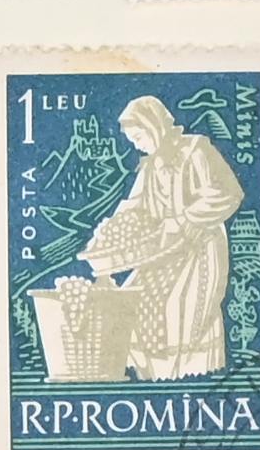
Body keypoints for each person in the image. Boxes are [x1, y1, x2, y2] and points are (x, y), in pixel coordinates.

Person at [66, 93, 246, 379]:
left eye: (139, 136)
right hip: (164, 249)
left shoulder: (196, 150)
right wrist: (107, 230)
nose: (137, 144)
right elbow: (133, 206)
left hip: (198, 248)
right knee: (130, 299)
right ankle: (149, 374)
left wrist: (185, 219)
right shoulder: (151, 165)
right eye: (133, 139)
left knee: (177, 306)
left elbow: (228, 192)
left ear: (154, 127)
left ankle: (186, 376)